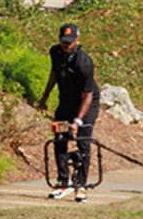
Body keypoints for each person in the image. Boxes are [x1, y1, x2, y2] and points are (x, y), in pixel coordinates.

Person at [37, 22, 100, 202]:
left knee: (83, 141)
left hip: (87, 104)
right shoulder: (55, 53)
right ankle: (63, 182)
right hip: (66, 101)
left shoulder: (84, 63)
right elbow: (54, 74)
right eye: (64, 42)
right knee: (60, 138)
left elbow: (88, 95)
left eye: (71, 42)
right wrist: (45, 97)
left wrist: (78, 121)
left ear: (78, 40)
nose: (67, 46)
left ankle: (80, 185)